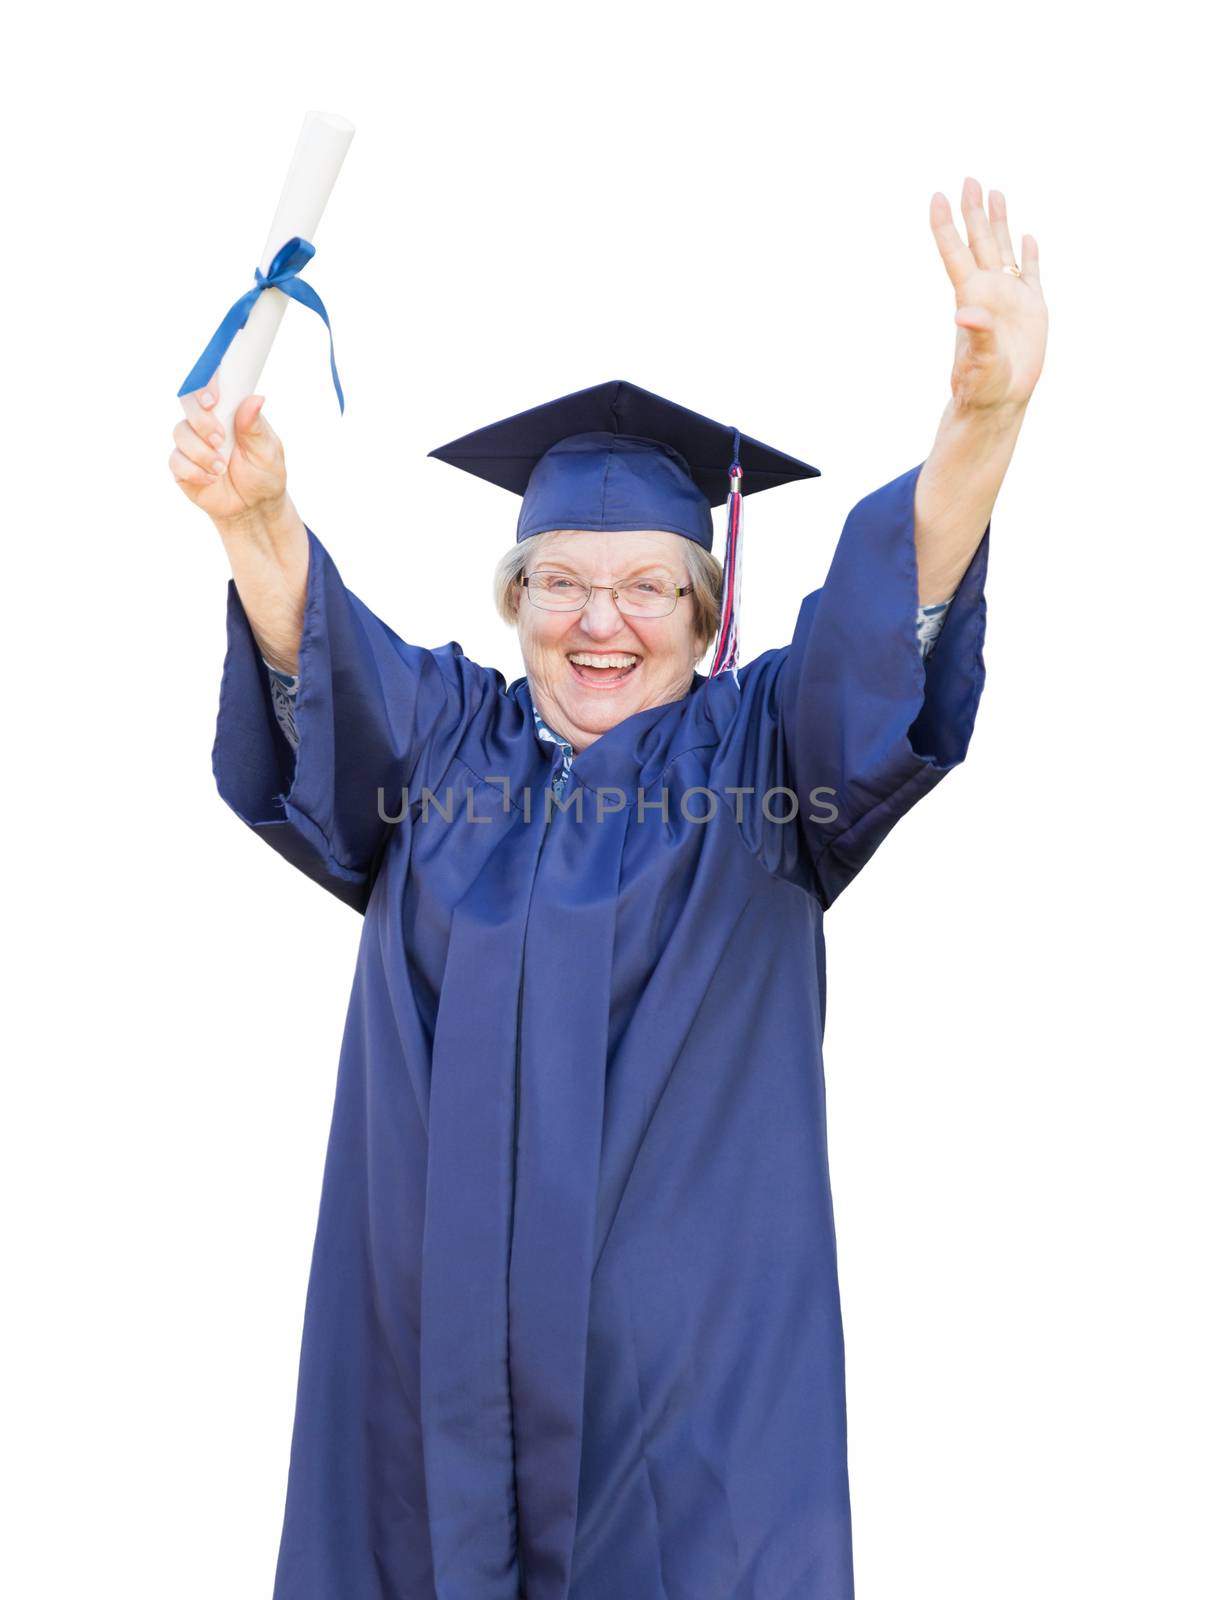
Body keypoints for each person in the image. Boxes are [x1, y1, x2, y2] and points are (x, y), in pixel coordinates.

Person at [169, 178, 1047, 1600]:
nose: (600, 623)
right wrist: (258, 518)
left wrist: (982, 427)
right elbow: (321, 666)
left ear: (707, 614)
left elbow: (882, 631)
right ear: (514, 602)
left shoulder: (765, 766)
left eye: (648, 588)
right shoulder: (444, 749)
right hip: (421, 1403)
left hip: (682, 1428)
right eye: (561, 584)